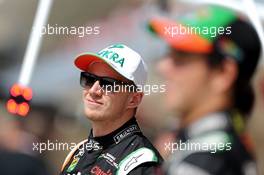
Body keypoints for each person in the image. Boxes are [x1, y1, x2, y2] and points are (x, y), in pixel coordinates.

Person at [148, 5, 261, 175]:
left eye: (181, 57)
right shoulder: (194, 140)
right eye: (168, 53)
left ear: (223, 73)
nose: (163, 67)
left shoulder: (204, 162)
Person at [60, 44, 163, 175]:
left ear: (134, 99)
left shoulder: (143, 163)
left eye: (108, 84)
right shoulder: (78, 150)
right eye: (89, 79)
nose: (93, 91)